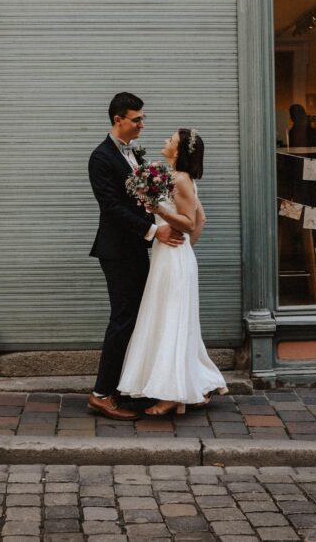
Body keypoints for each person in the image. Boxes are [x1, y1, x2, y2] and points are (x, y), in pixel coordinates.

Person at [87, 92, 185, 421]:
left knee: (139, 318)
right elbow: (112, 208)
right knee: (123, 318)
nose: (142, 124)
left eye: (143, 118)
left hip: (136, 249)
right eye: (136, 119)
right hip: (116, 251)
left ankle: (125, 386)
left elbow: (145, 198)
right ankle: (101, 394)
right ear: (118, 120)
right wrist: (154, 231)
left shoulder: (133, 155)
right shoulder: (101, 158)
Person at [117, 128, 228, 416]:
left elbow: (190, 222)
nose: (165, 142)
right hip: (173, 256)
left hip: (172, 258)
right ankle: (190, 388)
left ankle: (171, 395)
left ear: (178, 152)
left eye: (171, 140)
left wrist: (159, 210)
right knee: (175, 321)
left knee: (169, 321)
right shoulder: (178, 177)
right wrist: (186, 248)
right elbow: (201, 218)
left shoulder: (179, 179)